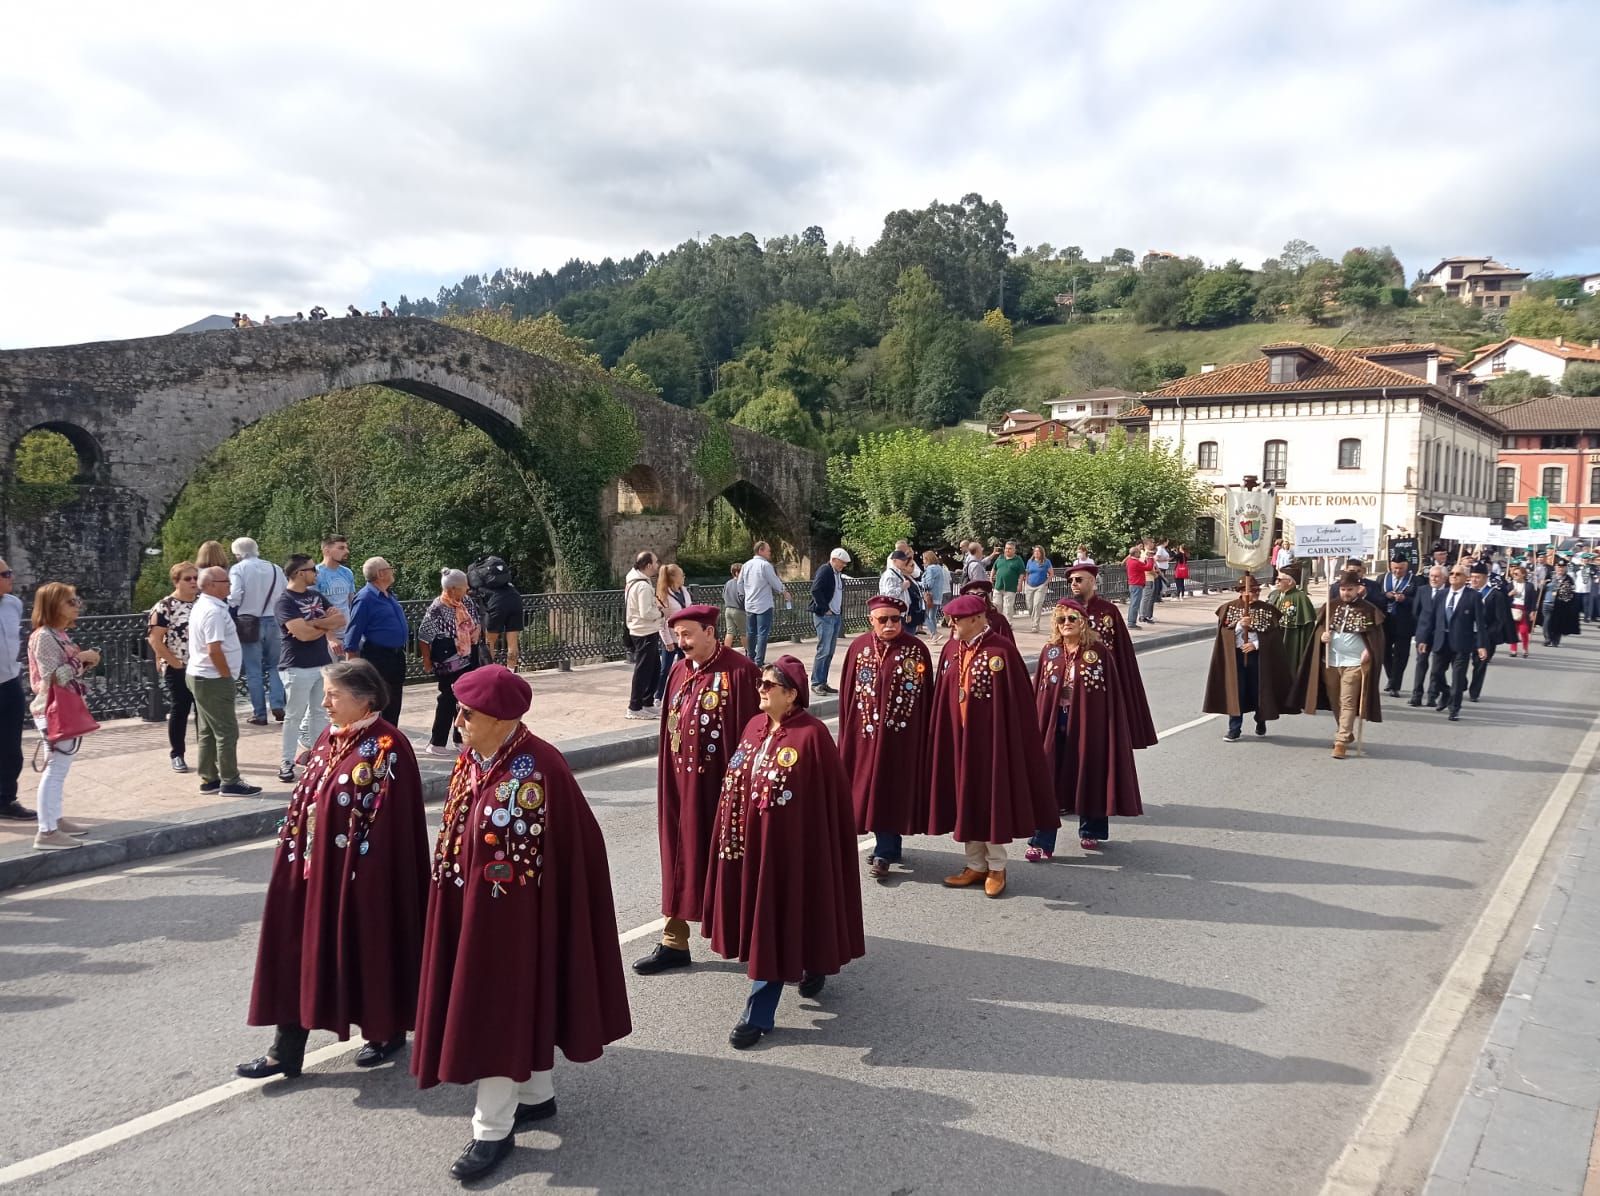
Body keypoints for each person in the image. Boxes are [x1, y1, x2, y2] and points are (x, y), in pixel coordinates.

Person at [411, 665, 631, 1183]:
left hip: (517, 920)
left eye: (468, 712)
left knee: (494, 1009)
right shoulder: (475, 758)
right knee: (506, 1002)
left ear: (502, 717)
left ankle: (491, 1129)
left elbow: (576, 849)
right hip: (476, 908)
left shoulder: (541, 768)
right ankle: (535, 1093)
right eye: (458, 710)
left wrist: (544, 918)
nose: (458, 719)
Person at [237, 659, 430, 1082]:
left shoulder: (388, 746)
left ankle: (385, 1031)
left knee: (366, 950)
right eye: (325, 694)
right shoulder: (331, 736)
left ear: (366, 701)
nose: (324, 703)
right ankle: (285, 1050)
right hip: (309, 870)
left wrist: (364, 877)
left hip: (357, 878)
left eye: (334, 695)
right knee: (297, 952)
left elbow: (392, 824)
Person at [702, 655, 865, 1049]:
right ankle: (810, 960)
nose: (760, 689)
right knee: (771, 919)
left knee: (783, 916)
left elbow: (827, 805)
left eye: (768, 685)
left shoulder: (812, 737)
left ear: (791, 694)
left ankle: (759, 1012)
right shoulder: (754, 726)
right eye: (760, 682)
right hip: (750, 847)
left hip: (793, 850)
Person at [634, 604, 762, 976]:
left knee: (728, 858)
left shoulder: (742, 673)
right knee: (679, 856)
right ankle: (674, 941)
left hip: (722, 787)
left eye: (688, 634)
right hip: (679, 785)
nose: (681, 641)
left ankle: (750, 936)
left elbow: (753, 737)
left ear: (709, 632)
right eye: (677, 635)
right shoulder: (677, 670)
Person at [927, 593, 1057, 899]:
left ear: (976, 619)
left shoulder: (1002, 651)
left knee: (989, 800)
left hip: (990, 742)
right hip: (958, 740)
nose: (951, 624)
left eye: (956, 620)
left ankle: (996, 867)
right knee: (964, 799)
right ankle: (975, 865)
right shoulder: (950, 649)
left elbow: (1017, 705)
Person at [1026, 598, 1142, 858]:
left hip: (1090, 722)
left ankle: (1090, 829)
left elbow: (1111, 695)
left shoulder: (1098, 652)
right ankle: (1041, 841)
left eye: (1071, 619)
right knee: (1048, 776)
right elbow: (1039, 693)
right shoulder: (1050, 651)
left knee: (1089, 770)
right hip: (1055, 721)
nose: (1066, 624)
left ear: (1083, 621)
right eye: (1061, 619)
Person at [839, 596, 933, 880]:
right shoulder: (858, 648)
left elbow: (926, 696)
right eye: (883, 619)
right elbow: (847, 696)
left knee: (892, 790)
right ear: (871, 621)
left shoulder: (916, 651)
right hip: (865, 736)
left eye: (895, 618)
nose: (890, 624)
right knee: (870, 789)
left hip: (901, 738)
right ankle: (886, 847)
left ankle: (886, 849)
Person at [26, 583, 101, 850]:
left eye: (76, 601)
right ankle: (46, 832)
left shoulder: (59, 634)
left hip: (62, 706)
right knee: (55, 769)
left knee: (61, 767)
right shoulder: (45, 636)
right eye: (70, 602)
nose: (76, 606)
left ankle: (55, 819)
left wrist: (83, 661)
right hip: (51, 709)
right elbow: (54, 677)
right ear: (53, 605)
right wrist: (81, 658)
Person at [1065, 563, 1159, 749]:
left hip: (1103, 683)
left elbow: (1122, 650)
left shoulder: (1108, 611)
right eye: (1071, 580)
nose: (1073, 584)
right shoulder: (1066, 611)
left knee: (1102, 738)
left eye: (1078, 579)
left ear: (1092, 582)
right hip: (1073, 684)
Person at [187, 567, 263, 797]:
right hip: (212, 678)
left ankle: (209, 778)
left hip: (202, 676)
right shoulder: (213, 611)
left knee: (209, 730)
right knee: (226, 731)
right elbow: (214, 649)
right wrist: (225, 675)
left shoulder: (206, 605)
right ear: (210, 585)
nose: (229, 585)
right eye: (225, 581)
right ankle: (230, 781)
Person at [1297, 570, 1385, 759]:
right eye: (1343, 589)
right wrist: (1322, 636)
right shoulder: (1331, 606)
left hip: (1354, 663)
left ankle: (1341, 741)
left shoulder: (1368, 610)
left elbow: (1376, 638)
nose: (1346, 592)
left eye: (1350, 589)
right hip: (1331, 661)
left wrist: (1369, 651)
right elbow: (1319, 630)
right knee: (1336, 700)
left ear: (1358, 589)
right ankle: (1345, 730)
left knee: (1348, 701)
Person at [274, 554, 345, 783]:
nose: (316, 573)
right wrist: (324, 624)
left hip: (321, 663)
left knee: (321, 713)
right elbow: (301, 635)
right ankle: (286, 762)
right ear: (299, 573)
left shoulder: (315, 595)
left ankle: (320, 757)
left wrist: (314, 623)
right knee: (294, 716)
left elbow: (341, 619)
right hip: (296, 665)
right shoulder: (285, 601)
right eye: (312, 569)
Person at [1203, 574, 1293, 742]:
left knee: (1259, 689)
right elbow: (1224, 633)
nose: (1255, 594)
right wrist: (1238, 625)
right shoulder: (1228, 608)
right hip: (1236, 656)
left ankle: (1261, 720)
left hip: (1258, 657)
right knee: (1236, 690)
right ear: (1241, 592)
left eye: (1257, 590)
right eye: (1251, 591)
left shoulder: (1267, 609)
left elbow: (1273, 636)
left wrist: (1256, 644)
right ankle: (1234, 728)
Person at [418, 569, 483, 755]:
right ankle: (436, 742)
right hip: (448, 661)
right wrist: (427, 661)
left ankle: (460, 739)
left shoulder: (467, 601)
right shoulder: (437, 608)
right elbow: (424, 637)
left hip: (468, 658)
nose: (468, 589)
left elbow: (476, 621)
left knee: (465, 700)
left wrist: (476, 630)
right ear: (453, 589)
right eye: (464, 587)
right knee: (447, 699)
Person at [1414, 562, 1488, 721]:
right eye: (1452, 574)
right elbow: (1432, 620)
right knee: (1436, 673)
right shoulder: (1441, 595)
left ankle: (1454, 708)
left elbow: (1480, 624)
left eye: (1458, 574)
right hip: (1441, 641)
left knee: (1458, 677)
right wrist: (1425, 639)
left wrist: (1481, 645)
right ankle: (1446, 692)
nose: (1454, 576)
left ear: (1466, 578)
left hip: (1461, 643)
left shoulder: (1473, 596)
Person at [147, 561, 200, 773]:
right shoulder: (165, 606)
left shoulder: (203, 603)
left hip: (202, 665)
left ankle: (206, 753)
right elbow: (155, 640)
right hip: (178, 666)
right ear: (176, 581)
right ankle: (177, 753)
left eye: (196, 578)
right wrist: (175, 664)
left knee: (203, 712)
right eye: (188, 579)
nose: (193, 582)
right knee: (180, 709)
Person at [229, 537, 287, 725]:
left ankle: (260, 714)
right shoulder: (275, 568)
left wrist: (230, 607)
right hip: (275, 621)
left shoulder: (238, 569)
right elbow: (285, 593)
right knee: (275, 666)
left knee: (254, 670)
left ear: (237, 553)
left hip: (249, 623)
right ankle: (278, 704)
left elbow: (236, 595)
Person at [344, 557, 409, 725]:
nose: (392, 570)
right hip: (378, 656)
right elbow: (353, 632)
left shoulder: (388, 595)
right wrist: (351, 670)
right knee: (379, 703)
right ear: (380, 573)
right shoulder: (365, 598)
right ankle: (376, 743)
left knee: (394, 703)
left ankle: (390, 739)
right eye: (389, 568)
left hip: (396, 656)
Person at [0, 558, 31, 822]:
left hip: (10, 682)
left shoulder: (13, 604)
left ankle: (6, 799)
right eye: (6, 573)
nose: (12, 576)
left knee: (11, 746)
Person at [623, 551, 662, 719]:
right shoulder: (643, 586)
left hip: (645, 630)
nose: (657, 565)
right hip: (643, 631)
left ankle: (647, 702)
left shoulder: (636, 582)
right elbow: (645, 612)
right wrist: (660, 612)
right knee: (643, 670)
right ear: (648, 565)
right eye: (655, 562)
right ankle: (635, 706)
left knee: (654, 668)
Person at [1466, 561, 1512, 703]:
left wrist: (1488, 635)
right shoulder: (1465, 592)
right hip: (1465, 634)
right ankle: (1461, 683)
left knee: (1479, 665)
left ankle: (1474, 691)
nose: (1474, 580)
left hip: (1484, 636)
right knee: (1460, 662)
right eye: (1472, 576)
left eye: (1477, 577)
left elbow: (1500, 619)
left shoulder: (1494, 595)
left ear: (1485, 578)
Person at [807, 548, 851, 695]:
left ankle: (823, 681)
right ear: (833, 560)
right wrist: (825, 608)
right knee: (824, 650)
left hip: (835, 615)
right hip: (825, 616)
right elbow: (815, 589)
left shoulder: (836, 573)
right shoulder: (825, 570)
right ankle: (817, 682)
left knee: (829, 651)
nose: (843, 565)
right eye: (841, 563)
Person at [741, 540, 789, 667]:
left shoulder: (746, 565)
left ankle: (750, 658)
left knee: (751, 632)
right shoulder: (765, 565)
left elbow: (740, 583)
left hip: (750, 604)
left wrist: (745, 595)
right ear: (760, 550)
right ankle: (759, 661)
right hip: (764, 604)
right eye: (768, 550)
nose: (770, 553)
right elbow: (774, 581)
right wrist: (784, 592)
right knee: (762, 633)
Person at [473, 555, 524, 672]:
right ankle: (511, 673)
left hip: (497, 604)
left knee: (490, 642)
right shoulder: (507, 584)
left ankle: (490, 672)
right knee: (512, 642)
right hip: (515, 599)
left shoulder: (481, 582)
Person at [1379, 552, 1419, 697]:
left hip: (1404, 623)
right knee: (1384, 652)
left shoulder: (1415, 580)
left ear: (1406, 567)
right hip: (1386, 621)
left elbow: (1419, 601)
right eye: (1395, 568)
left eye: (1401, 569)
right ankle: (1391, 677)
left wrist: (1405, 599)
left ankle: (1395, 685)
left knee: (1401, 655)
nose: (1397, 571)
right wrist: (1385, 596)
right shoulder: (1382, 578)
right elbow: (1376, 597)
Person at [1409, 565, 1448, 707]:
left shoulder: (1448, 592)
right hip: (1423, 634)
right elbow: (1416, 612)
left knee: (1437, 668)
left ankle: (1432, 695)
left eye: (1437, 576)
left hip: (1440, 635)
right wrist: (1421, 632)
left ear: (1444, 578)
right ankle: (1416, 695)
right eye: (1431, 576)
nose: (1434, 579)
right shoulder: (1422, 590)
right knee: (1421, 664)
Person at [653, 563, 690, 703]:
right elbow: (663, 621)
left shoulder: (684, 591)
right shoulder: (664, 594)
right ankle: (658, 695)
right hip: (671, 637)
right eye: (681, 574)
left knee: (685, 667)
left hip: (685, 636)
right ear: (674, 577)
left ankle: (682, 693)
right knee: (665, 669)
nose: (684, 577)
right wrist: (668, 641)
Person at [315, 535, 356, 657]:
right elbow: (315, 609)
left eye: (346, 548)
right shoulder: (316, 574)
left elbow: (351, 603)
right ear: (327, 551)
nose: (346, 551)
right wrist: (330, 637)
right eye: (341, 548)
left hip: (347, 634)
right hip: (325, 638)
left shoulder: (347, 572)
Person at [1270, 568, 1317, 673]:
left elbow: (1308, 626)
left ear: (1290, 581)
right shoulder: (1274, 595)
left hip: (1291, 640)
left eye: (1279, 579)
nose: (1276, 582)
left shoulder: (1301, 598)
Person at [1535, 559, 1581, 648]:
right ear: (1555, 567)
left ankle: (1555, 640)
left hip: (1560, 605)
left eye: (1563, 567)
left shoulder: (1568, 579)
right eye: (1559, 567)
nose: (1560, 569)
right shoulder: (1550, 576)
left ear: (1566, 568)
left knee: (1558, 623)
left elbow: (1571, 593)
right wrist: (1542, 585)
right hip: (1547, 603)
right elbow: (1542, 588)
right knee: (1547, 621)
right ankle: (1547, 639)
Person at [1506, 564, 1536, 658]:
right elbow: (1503, 597)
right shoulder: (1510, 585)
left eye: (1516, 574)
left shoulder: (1529, 586)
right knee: (1513, 631)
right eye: (1513, 574)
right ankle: (1513, 650)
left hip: (1524, 609)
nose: (1514, 576)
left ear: (1523, 575)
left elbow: (1533, 599)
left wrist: (1533, 611)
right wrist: (1510, 594)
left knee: (1524, 630)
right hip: (1513, 608)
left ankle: (1525, 648)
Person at [1023, 545, 1054, 632]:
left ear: (1041, 553)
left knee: (1037, 605)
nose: (1036, 553)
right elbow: (1027, 572)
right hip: (1029, 586)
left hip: (1040, 586)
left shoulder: (1046, 562)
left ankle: (1035, 625)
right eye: (1035, 551)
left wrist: (1045, 583)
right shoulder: (1030, 561)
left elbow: (1051, 574)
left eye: (1038, 551)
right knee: (1029, 605)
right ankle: (1034, 621)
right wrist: (1026, 582)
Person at [991, 541, 1025, 619]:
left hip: (1010, 587)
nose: (1007, 550)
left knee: (1008, 607)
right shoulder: (1000, 558)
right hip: (998, 586)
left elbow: (1021, 573)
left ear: (1014, 550)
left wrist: (1019, 585)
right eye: (1006, 548)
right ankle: (998, 622)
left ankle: (1008, 623)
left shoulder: (1018, 560)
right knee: (996, 605)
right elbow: (994, 568)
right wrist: (991, 578)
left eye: (1010, 549)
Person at [921, 550, 950, 640]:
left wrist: (919, 584)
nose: (923, 561)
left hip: (930, 595)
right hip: (937, 595)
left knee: (924, 615)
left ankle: (934, 633)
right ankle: (934, 634)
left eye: (924, 559)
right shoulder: (939, 568)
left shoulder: (930, 569)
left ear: (927, 559)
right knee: (932, 616)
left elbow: (929, 584)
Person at [721, 561, 747, 651]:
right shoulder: (741, 583)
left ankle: (725, 652)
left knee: (730, 632)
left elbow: (723, 595)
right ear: (737, 573)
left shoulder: (728, 583)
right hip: (739, 610)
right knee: (744, 632)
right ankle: (749, 653)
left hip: (728, 609)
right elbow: (742, 597)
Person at [1124, 545, 1149, 628]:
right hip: (1137, 585)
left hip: (1133, 584)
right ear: (1135, 553)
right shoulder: (1135, 562)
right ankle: (1131, 622)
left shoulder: (1130, 561)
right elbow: (1148, 567)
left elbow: (1143, 565)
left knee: (1133, 603)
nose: (1140, 554)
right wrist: (1151, 559)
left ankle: (1131, 621)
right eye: (1138, 552)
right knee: (1135, 604)